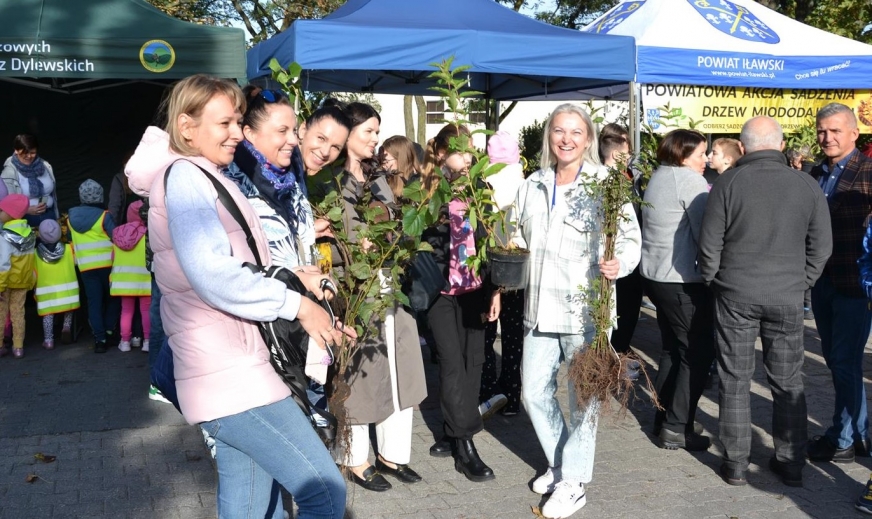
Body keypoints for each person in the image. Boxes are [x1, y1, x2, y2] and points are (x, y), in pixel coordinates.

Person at [124, 74, 350, 518]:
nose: (235, 133)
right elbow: (214, 274)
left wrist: (294, 278)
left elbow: (238, 266)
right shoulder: (187, 176)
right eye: (223, 123)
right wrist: (298, 306)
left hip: (230, 368)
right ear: (187, 127)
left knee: (250, 508)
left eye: (238, 121)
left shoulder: (206, 175)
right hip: (229, 374)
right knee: (324, 492)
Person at [513, 104, 640, 518]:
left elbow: (629, 238)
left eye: (576, 132)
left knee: (583, 397)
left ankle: (575, 483)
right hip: (537, 306)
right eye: (559, 131)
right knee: (533, 392)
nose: (566, 139)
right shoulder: (531, 184)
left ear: (588, 139)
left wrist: (619, 263)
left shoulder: (605, 184)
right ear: (549, 136)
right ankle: (559, 463)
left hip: (584, 310)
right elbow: (515, 237)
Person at [699, 116, 832, 487]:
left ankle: (735, 463)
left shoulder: (727, 183)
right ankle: (791, 463)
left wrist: (716, 281)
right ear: (782, 142)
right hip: (787, 296)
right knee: (788, 381)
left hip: (735, 294)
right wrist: (802, 282)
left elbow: (709, 245)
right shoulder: (806, 184)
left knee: (734, 379)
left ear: (742, 148)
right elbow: (822, 247)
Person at [324, 102, 427, 492]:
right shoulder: (330, 182)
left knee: (398, 368)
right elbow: (322, 241)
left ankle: (392, 454)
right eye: (368, 130)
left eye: (376, 131)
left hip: (389, 282)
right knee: (360, 370)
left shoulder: (376, 177)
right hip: (354, 287)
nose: (374, 138)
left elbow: (396, 222)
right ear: (347, 133)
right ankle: (353, 456)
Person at [423, 122, 502, 483]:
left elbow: (492, 240)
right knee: (452, 363)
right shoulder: (427, 189)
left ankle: (451, 431)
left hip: (474, 289)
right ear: (440, 154)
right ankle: (465, 444)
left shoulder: (480, 187)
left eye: (470, 150)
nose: (467, 157)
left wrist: (496, 290)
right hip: (441, 292)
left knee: (474, 362)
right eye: (458, 150)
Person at [640, 129, 714, 451]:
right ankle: (676, 427)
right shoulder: (690, 181)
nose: (706, 160)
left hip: (656, 277)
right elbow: (705, 235)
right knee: (697, 354)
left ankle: (665, 417)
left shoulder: (659, 175)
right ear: (684, 156)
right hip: (680, 280)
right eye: (701, 154)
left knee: (673, 350)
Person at [807, 102, 872, 466]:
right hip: (821, 281)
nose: (827, 137)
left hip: (855, 283)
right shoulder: (815, 173)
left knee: (845, 362)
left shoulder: (868, 171)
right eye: (822, 131)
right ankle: (859, 434)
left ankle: (843, 438)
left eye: (835, 130)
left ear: (854, 133)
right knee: (836, 361)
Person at [479, 130, 526, 418]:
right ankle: (512, 393)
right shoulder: (526, 185)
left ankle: (487, 391)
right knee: (513, 335)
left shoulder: (483, 184)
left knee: (486, 332)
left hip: (490, 266)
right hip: (520, 268)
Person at [599, 123, 643, 355]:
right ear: (616, 154)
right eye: (627, 153)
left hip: (620, 260)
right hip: (618, 261)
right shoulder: (613, 182)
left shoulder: (623, 179)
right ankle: (617, 356)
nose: (629, 158)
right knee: (623, 311)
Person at [68, 179, 119, 353]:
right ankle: (110, 330)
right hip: (108, 266)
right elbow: (116, 238)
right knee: (113, 298)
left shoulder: (70, 219)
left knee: (94, 303)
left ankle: (100, 339)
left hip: (85, 268)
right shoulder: (105, 216)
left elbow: (70, 241)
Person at [110, 200, 151, 353]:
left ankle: (125, 342)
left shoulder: (118, 233)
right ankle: (147, 342)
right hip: (144, 280)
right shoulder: (148, 233)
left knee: (126, 311)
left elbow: (112, 257)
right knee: (146, 311)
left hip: (123, 282)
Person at [34, 219, 78, 351]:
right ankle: (66, 327)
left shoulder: (35, 254)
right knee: (68, 309)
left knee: (48, 315)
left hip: (47, 294)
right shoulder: (69, 248)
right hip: (68, 292)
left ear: (40, 235)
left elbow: (33, 275)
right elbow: (76, 262)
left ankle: (48, 340)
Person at [0, 194, 35, 358]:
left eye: (1, 210)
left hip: (5, 283)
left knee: (1, 313)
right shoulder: (30, 234)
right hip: (23, 282)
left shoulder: (4, 238)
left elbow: (3, 264)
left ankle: (0, 345)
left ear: (10, 213)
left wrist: (0, 285)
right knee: (18, 313)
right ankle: (18, 347)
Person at [1, 134, 59, 227]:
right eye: (24, 153)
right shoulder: (9, 173)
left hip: (49, 215)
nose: (29, 156)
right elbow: (6, 204)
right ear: (16, 150)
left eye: (32, 153)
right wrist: (26, 210)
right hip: (24, 221)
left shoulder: (45, 166)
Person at [380, 135, 421, 199]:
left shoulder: (417, 185)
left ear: (401, 160)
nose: (383, 165)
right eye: (381, 160)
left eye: (386, 161)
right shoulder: (385, 180)